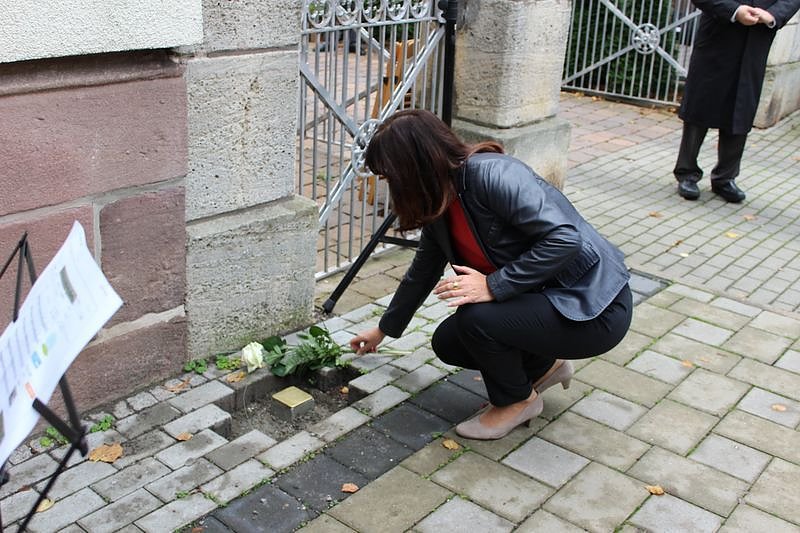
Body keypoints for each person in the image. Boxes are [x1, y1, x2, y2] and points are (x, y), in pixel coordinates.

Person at [348, 110, 633, 440]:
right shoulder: (441, 200)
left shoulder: (492, 175)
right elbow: (422, 272)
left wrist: (493, 285)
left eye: (391, 177)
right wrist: (383, 330)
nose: (390, 186)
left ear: (415, 167)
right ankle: (546, 367)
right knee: (449, 341)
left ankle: (516, 401)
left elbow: (565, 239)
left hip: (593, 308)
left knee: (476, 318)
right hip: (550, 300)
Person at [674, 0, 800, 203]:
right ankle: (686, 172)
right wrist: (735, 11)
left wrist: (773, 15)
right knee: (700, 105)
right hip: (718, 34)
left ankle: (725, 178)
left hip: (756, 39)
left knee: (741, 106)